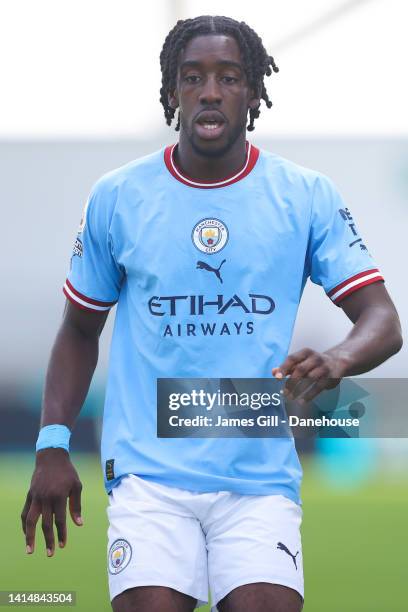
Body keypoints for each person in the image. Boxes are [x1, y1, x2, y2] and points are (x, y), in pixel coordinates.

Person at [21, 15, 402, 612]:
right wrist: (51, 446)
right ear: (172, 92)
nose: (210, 90)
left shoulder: (304, 195)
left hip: (259, 475)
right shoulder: (118, 196)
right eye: (192, 76)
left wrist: (337, 358)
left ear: (252, 92)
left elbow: (382, 319)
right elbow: (77, 328)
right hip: (148, 473)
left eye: (229, 77)